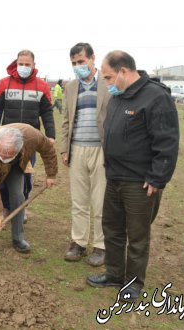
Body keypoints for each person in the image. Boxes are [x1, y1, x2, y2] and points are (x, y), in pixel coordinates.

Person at [87, 51, 179, 302]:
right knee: (112, 230)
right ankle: (114, 274)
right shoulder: (119, 97)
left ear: (124, 71)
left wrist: (158, 177)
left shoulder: (156, 97)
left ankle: (133, 283)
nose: (106, 82)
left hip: (139, 183)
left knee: (137, 236)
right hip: (114, 177)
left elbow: (167, 142)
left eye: (108, 77)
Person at [0, 123, 58, 253]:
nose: (3, 158)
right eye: (1, 154)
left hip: (17, 163)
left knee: (18, 195)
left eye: (7, 156)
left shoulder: (32, 136)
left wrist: (51, 174)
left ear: (19, 147)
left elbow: (48, 150)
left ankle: (18, 237)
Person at [60, 43, 111, 267]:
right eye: (74, 63)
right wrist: (65, 149)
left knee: (100, 201)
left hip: (102, 150)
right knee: (79, 200)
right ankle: (78, 242)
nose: (78, 66)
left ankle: (101, 246)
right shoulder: (70, 87)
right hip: (77, 149)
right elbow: (65, 121)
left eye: (81, 61)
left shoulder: (108, 84)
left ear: (92, 59)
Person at [0, 50, 55, 220]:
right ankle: (5, 206)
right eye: (21, 64)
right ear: (16, 63)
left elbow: (47, 113)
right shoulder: (5, 83)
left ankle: (22, 207)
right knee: (3, 174)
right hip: (6, 140)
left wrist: (51, 135)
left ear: (33, 65)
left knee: (26, 176)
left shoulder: (42, 86)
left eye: (27, 64)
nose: (23, 67)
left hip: (29, 142)